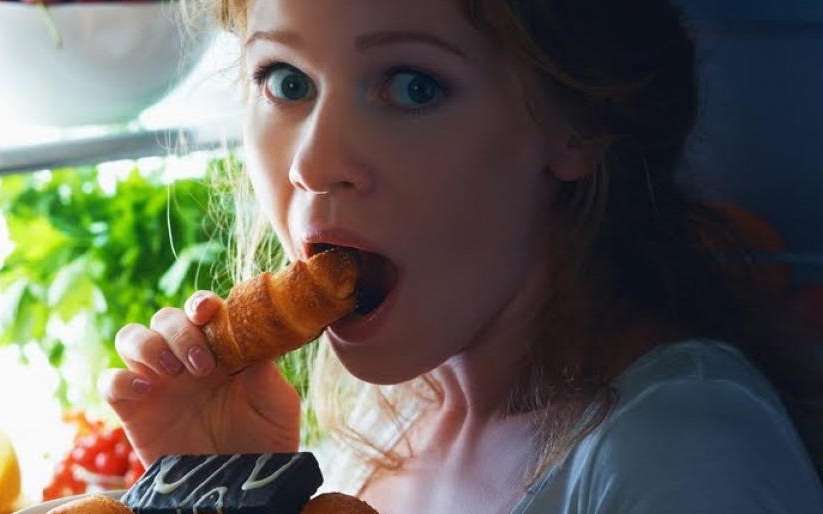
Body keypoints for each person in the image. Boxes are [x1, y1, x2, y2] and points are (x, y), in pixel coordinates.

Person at [98, 0, 823, 512]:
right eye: (286, 81)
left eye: (414, 86)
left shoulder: (688, 460)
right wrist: (227, 488)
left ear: (576, 120)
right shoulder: (377, 426)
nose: (315, 163)